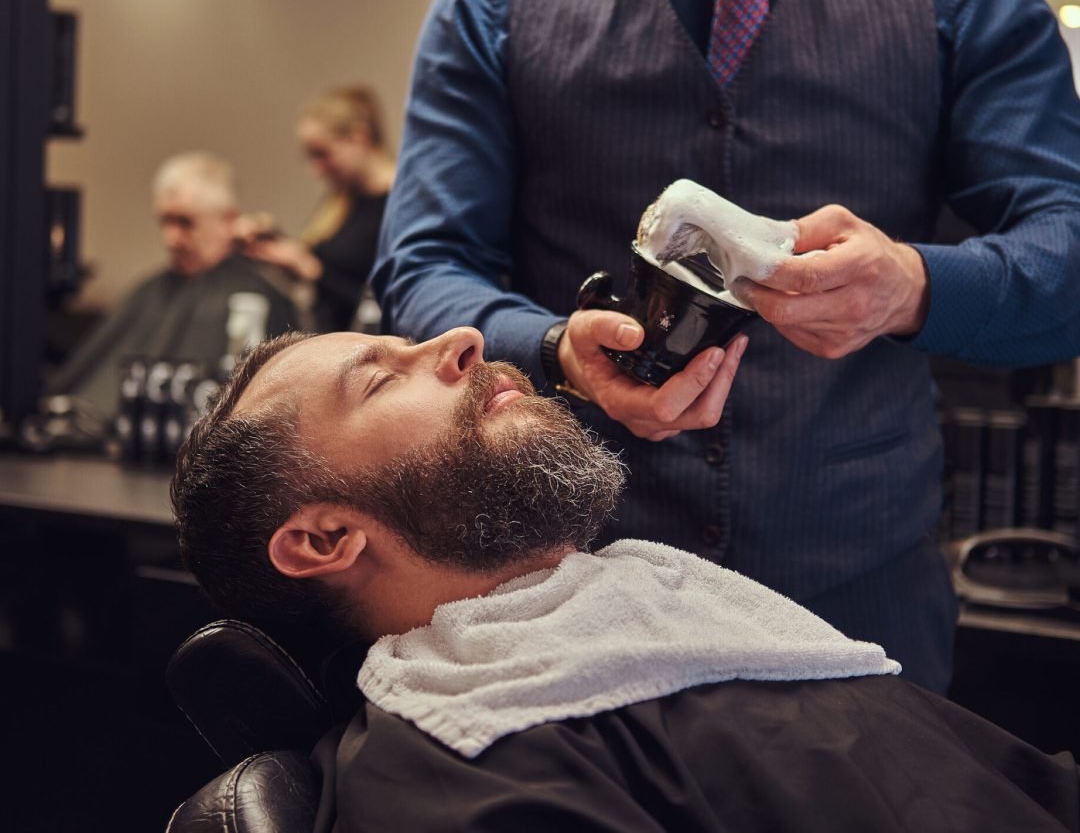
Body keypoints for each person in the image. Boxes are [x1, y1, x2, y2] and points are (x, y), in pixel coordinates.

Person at [370, 0, 1080, 693]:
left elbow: (1065, 250)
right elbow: (424, 264)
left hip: (859, 590)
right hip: (564, 592)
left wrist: (915, 290)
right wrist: (553, 349)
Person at [171, 328, 1080, 832]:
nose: (462, 338)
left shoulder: (651, 623)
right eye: (381, 379)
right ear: (324, 537)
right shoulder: (463, 766)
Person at [46, 151, 299, 420]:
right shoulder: (148, 292)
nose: (170, 239)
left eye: (184, 223)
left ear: (227, 220)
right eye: (165, 222)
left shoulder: (255, 297)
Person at [239, 84, 395, 333]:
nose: (315, 169)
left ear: (359, 137)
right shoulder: (341, 202)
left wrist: (311, 270)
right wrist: (273, 239)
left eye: (322, 154)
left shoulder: (400, 206)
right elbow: (329, 267)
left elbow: (382, 306)